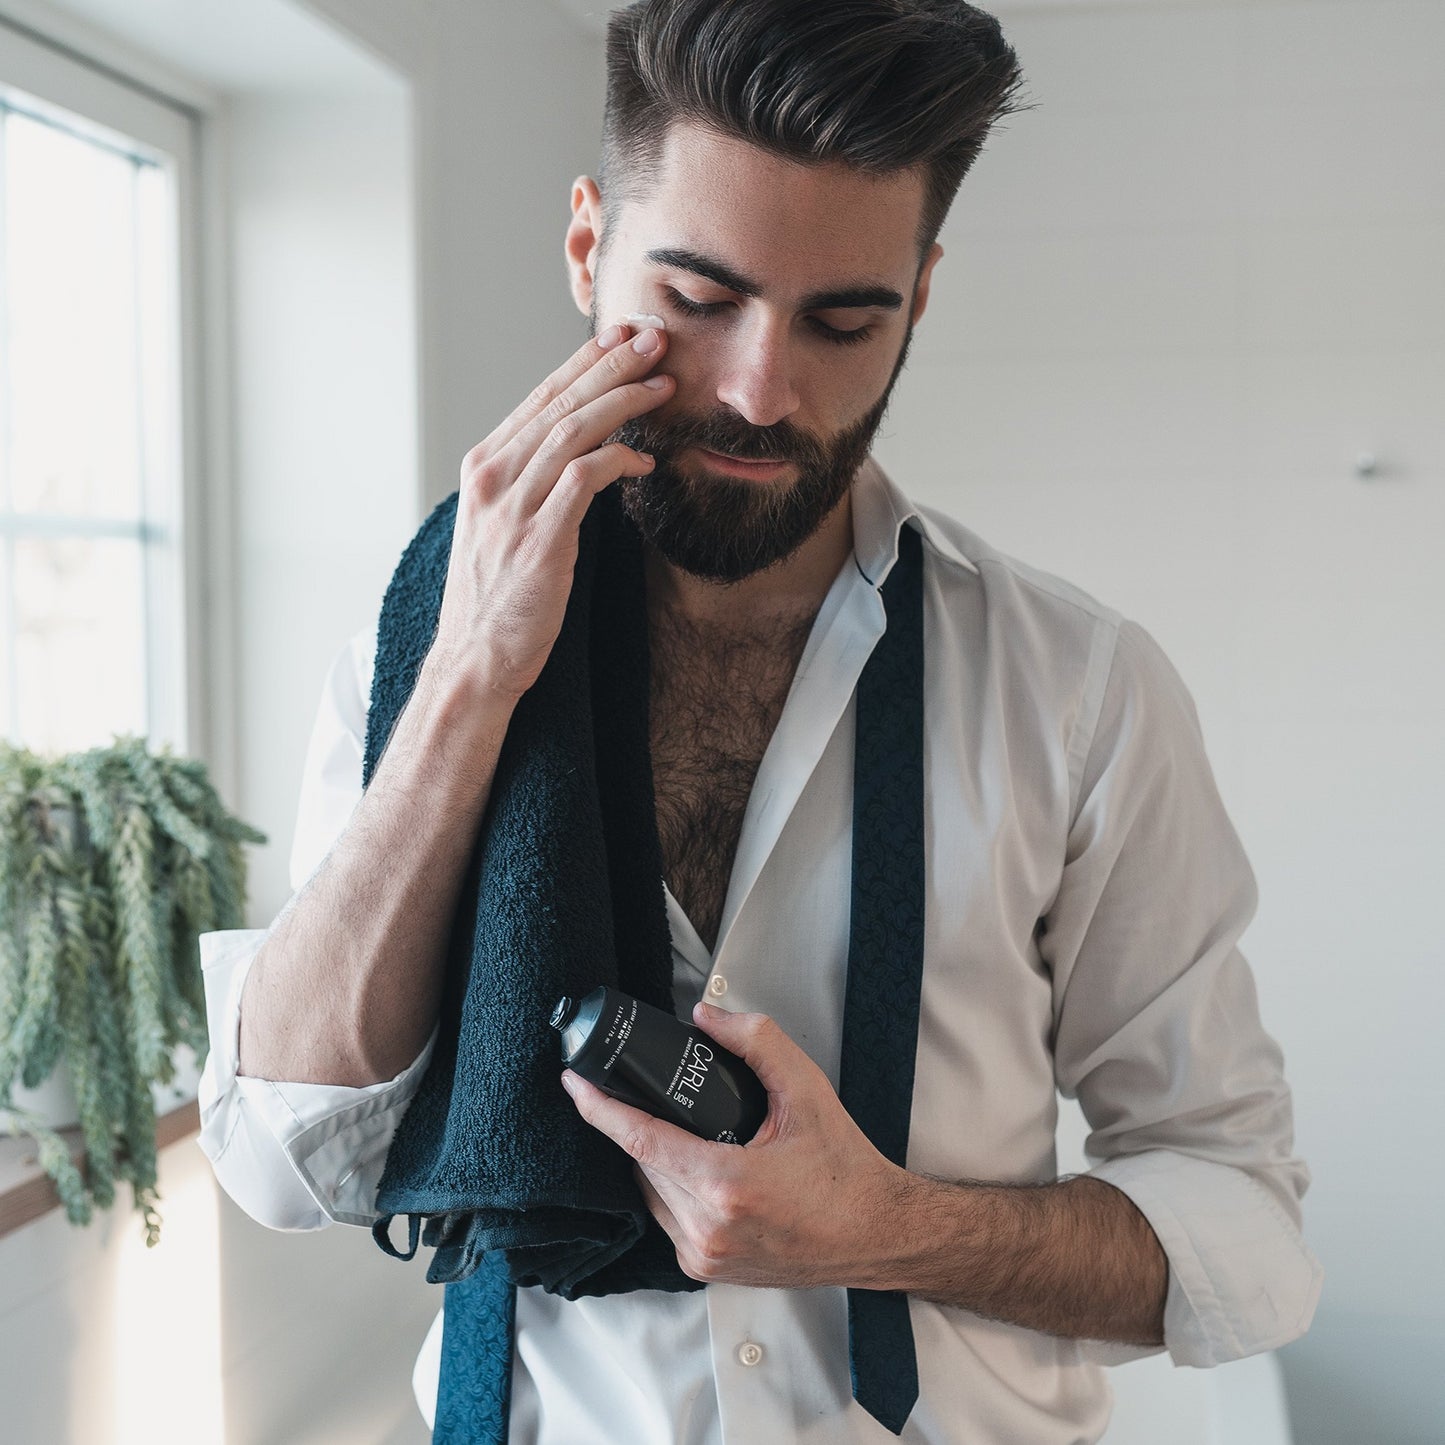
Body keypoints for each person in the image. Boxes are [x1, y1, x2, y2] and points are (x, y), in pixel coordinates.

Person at [197, 2, 1322, 1441]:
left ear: (918, 296)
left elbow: (1243, 1227)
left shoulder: (1080, 689)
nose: (758, 388)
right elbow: (285, 1159)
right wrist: (470, 680)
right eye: (699, 298)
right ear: (587, 248)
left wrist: (887, 1227)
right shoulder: (418, 648)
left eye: (840, 318)